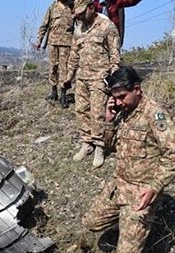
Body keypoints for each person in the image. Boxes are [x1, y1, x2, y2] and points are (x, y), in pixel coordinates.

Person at [82, 66, 175, 253]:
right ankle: (130, 232)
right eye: (114, 97)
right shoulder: (124, 112)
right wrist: (108, 119)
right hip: (119, 186)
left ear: (136, 89)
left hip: (140, 193)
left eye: (121, 97)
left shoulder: (154, 114)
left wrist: (155, 187)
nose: (118, 102)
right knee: (90, 223)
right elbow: (107, 146)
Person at [64, 0, 120, 168]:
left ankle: (99, 146)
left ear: (91, 7)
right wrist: (69, 76)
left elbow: (115, 54)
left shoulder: (107, 26)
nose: (79, 16)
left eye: (82, 12)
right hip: (82, 78)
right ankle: (86, 143)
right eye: (77, 14)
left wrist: (114, 79)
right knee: (81, 110)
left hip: (99, 78)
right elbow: (74, 55)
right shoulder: (79, 29)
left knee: (97, 113)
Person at [35, 0, 74, 108]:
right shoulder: (52, 7)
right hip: (53, 43)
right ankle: (53, 91)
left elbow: (79, 24)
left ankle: (63, 94)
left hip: (67, 43)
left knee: (64, 69)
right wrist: (40, 40)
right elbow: (44, 25)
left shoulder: (72, 6)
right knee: (53, 67)